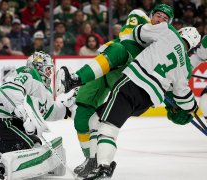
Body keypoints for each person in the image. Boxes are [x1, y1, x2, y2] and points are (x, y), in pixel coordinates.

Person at [55, 4, 174, 178]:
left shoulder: (167, 41)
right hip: (104, 65)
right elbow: (126, 37)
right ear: (151, 16)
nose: (160, 21)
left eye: (165, 19)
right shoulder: (139, 17)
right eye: (158, 16)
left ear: (169, 24)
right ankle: (91, 160)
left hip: (123, 74)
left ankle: (75, 82)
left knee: (103, 123)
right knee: (82, 117)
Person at [85, 23, 201, 180]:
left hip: (132, 84)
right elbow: (184, 98)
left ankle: (104, 168)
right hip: (146, 101)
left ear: (180, 32)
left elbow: (138, 33)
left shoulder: (168, 32)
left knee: (108, 127)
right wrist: (191, 108)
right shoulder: (185, 66)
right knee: (95, 120)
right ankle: (95, 163)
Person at [0, 51, 75, 180]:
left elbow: (49, 111)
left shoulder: (42, 90)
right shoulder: (28, 73)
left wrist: (66, 109)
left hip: (4, 124)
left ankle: (0, 156)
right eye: (47, 69)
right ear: (38, 67)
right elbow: (9, 89)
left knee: (35, 142)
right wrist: (20, 109)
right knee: (31, 147)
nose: (50, 73)